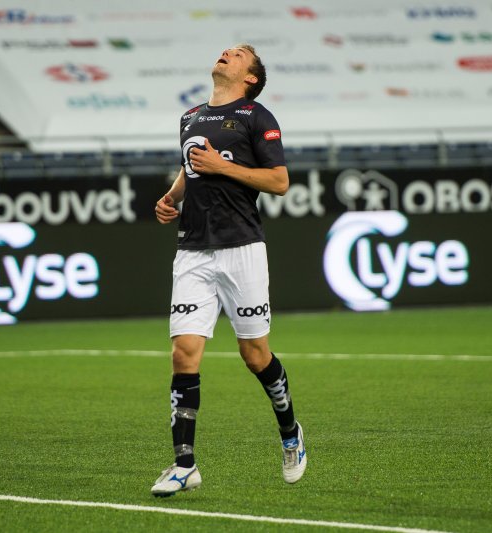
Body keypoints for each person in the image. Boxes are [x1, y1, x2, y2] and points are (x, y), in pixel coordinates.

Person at [151, 44, 306, 496]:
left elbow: (278, 182)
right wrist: (172, 198)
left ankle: (291, 432)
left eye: (237, 55)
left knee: (255, 355)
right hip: (194, 250)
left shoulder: (258, 117)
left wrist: (223, 166)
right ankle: (185, 464)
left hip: (242, 249)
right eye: (226, 50)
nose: (226, 54)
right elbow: (189, 167)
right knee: (184, 351)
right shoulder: (190, 117)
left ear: (250, 78)